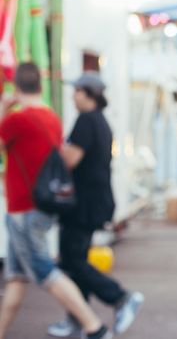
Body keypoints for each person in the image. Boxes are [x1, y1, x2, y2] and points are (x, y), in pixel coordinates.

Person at [0, 62, 112, 339]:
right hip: (41, 206)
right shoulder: (52, 117)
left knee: (47, 270)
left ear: (17, 88)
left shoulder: (19, 120)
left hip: (23, 210)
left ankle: (94, 326)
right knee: (15, 278)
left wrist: (4, 106)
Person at [47, 72, 143, 338]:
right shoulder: (100, 121)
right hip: (94, 202)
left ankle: (120, 297)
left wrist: (52, 150)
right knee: (75, 260)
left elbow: (69, 160)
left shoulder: (86, 122)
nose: (73, 95)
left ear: (88, 93)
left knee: (72, 260)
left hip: (83, 205)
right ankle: (78, 318)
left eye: (76, 91)